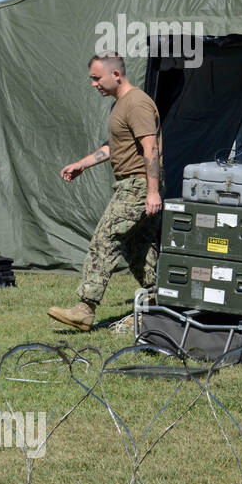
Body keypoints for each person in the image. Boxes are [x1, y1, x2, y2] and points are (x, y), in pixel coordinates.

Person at [48, 53, 163, 331]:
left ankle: (85, 308)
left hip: (137, 186)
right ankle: (165, 299)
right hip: (133, 185)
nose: (93, 84)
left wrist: (152, 192)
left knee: (104, 239)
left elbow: (151, 149)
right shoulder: (121, 105)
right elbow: (115, 147)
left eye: (96, 78)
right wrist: (82, 164)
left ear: (116, 75)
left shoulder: (136, 103)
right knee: (139, 250)